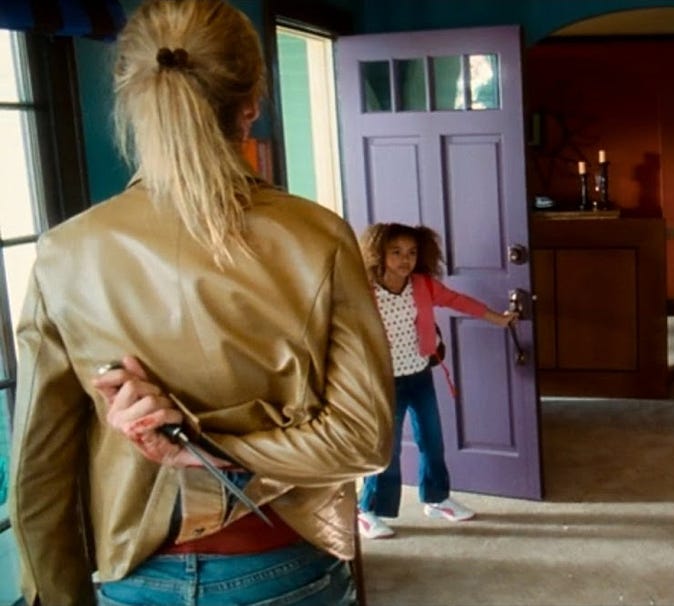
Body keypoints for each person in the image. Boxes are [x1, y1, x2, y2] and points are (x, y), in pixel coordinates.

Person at [7, 0, 396, 603]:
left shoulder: (65, 253)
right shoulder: (319, 237)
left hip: (137, 579)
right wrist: (216, 447)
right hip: (285, 566)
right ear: (252, 105)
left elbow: (39, 469)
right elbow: (361, 440)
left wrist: (60, 594)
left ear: (132, 99)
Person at [355, 223, 516, 539]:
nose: (405, 259)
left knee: (432, 440)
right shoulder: (365, 291)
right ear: (378, 254)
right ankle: (368, 510)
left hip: (419, 374)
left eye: (412, 252)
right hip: (383, 381)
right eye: (396, 252)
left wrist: (498, 319)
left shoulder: (422, 284)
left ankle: (436, 498)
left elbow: (457, 301)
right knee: (386, 449)